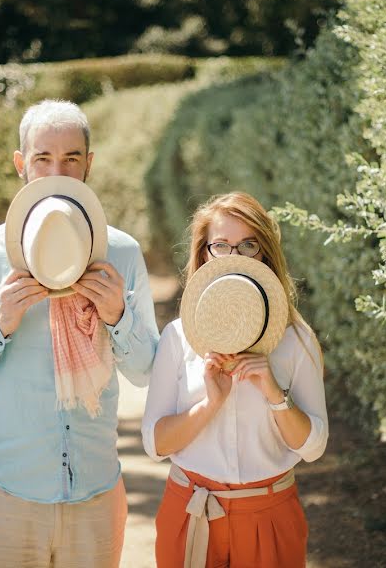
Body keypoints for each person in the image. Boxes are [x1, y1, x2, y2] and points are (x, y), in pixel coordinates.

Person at [0, 99, 159, 568]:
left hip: (95, 491)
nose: (58, 170)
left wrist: (119, 316)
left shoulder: (123, 253)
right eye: (43, 158)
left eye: (71, 158)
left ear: (89, 165)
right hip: (6, 496)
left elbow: (148, 371)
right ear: (21, 164)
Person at [142, 192, 329, 568]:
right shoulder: (178, 338)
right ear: (204, 253)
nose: (235, 257)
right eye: (222, 245)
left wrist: (275, 393)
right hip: (191, 511)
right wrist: (210, 405)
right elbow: (155, 444)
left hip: (270, 516)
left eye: (248, 244)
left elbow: (313, 447)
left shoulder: (297, 340)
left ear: (265, 252)